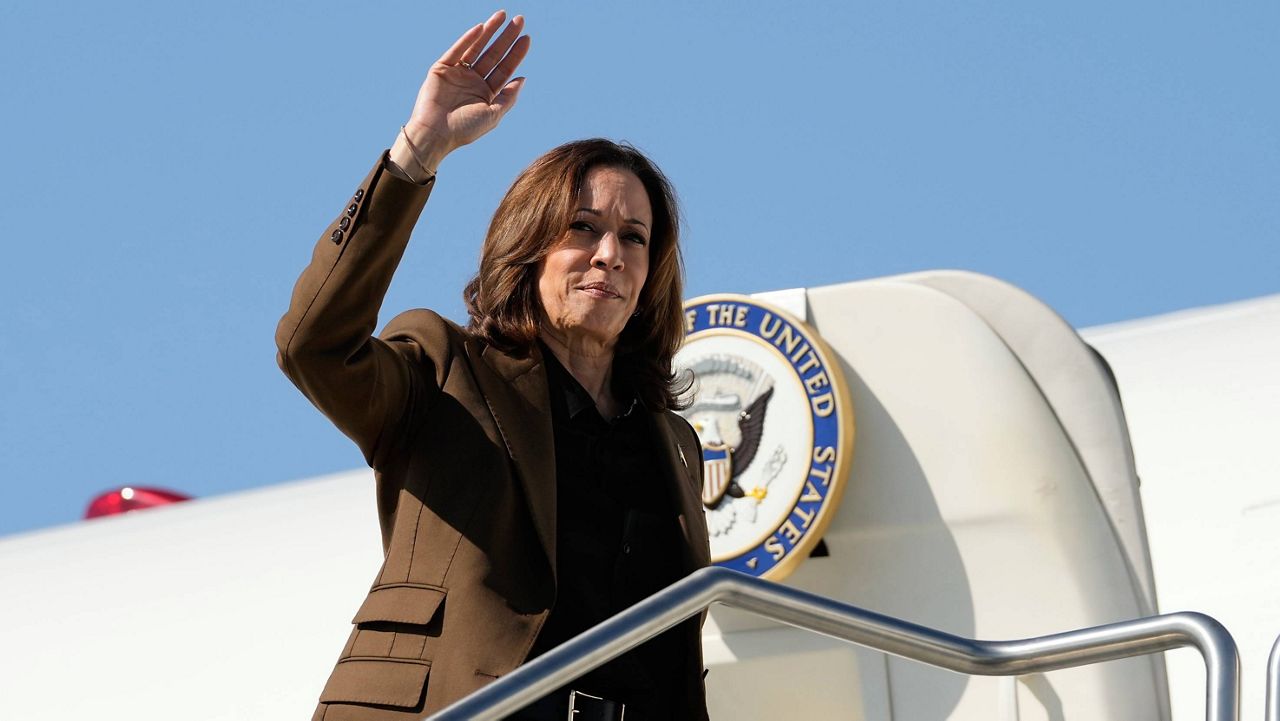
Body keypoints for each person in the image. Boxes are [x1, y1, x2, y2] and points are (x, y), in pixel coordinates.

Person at [275, 11, 711, 721]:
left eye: (634, 237)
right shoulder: (446, 371)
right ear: (529, 246)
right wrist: (416, 154)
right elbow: (312, 344)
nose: (609, 254)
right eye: (583, 228)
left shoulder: (673, 446)